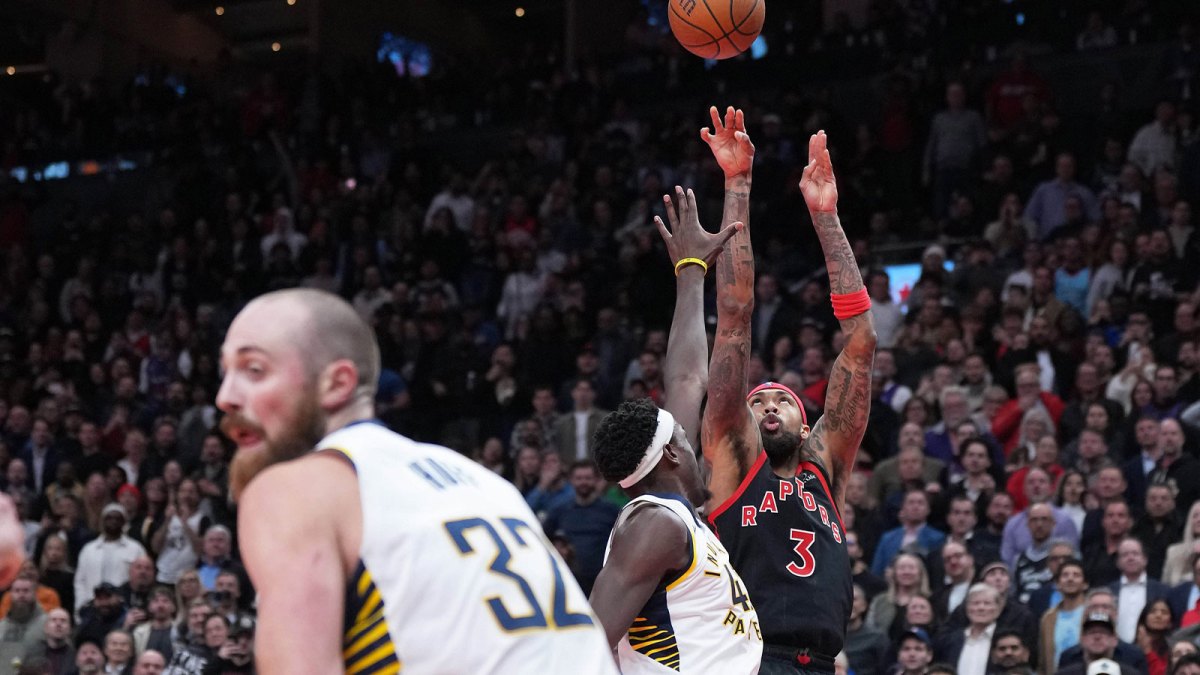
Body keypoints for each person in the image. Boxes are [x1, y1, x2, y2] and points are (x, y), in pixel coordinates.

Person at [215, 287, 615, 673]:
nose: (225, 397)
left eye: (254, 370)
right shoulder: (486, 484)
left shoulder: (296, 488)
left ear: (337, 383)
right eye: (224, 371)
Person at [704, 125, 876, 673]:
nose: (769, 405)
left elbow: (861, 342)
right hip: (749, 659)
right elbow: (733, 315)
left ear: (808, 428)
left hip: (823, 662)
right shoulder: (734, 459)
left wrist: (827, 218)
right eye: (759, 402)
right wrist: (738, 183)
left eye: (783, 400)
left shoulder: (824, 470)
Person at [589, 184, 760, 673]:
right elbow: (585, 645)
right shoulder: (655, 526)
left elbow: (687, 378)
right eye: (685, 437)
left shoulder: (671, 511)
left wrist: (691, 272)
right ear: (669, 455)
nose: (695, 439)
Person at [1038, 558, 1089, 675]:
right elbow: (1042, 661)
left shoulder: (1092, 614)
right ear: (1057, 584)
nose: (1070, 579)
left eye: (1076, 575)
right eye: (1065, 575)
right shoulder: (1048, 618)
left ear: (1085, 584)